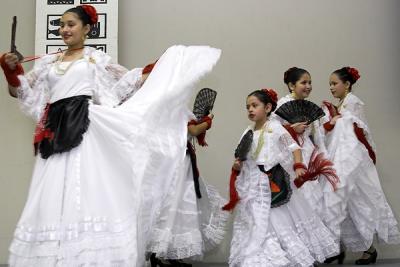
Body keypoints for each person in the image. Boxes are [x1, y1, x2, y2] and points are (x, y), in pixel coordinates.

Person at [1, 4, 221, 266]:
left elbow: (129, 80)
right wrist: (11, 72)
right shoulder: (50, 61)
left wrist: (162, 68)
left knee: (85, 190)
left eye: (70, 24)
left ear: (87, 28)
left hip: (85, 128)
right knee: (53, 192)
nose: (64, 29)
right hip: (55, 133)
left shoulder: (95, 59)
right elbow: (22, 92)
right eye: (61, 25)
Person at [227, 89, 339, 267]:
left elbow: (294, 147)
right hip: (254, 184)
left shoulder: (275, 128)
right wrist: (238, 165)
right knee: (258, 221)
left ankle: (285, 257)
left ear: (268, 107)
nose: (250, 109)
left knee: (278, 220)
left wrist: (298, 165)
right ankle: (262, 258)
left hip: (275, 181)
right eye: (247, 107)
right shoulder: (247, 131)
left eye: (254, 105)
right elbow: (243, 155)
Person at [321, 67, 400, 265]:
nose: (331, 87)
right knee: (350, 204)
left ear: (347, 84)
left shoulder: (352, 103)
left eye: (334, 83)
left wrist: (335, 120)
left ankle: (367, 249)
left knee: (357, 202)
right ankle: (365, 249)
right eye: (330, 84)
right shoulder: (343, 104)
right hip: (343, 157)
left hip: (351, 160)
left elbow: (355, 133)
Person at [147, 106, 228, 267]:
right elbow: (193, 130)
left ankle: (165, 254)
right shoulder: (178, 109)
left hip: (169, 164)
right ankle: (160, 253)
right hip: (179, 167)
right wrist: (208, 120)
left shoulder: (162, 109)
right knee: (177, 207)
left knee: (172, 209)